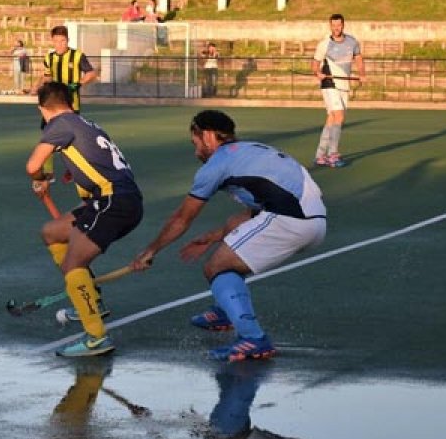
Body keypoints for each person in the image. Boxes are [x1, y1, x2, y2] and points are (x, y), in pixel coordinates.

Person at [131, 110, 327, 362]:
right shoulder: (251, 150)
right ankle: (226, 311)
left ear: (208, 136)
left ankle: (253, 338)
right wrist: (214, 236)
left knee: (216, 267)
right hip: (313, 219)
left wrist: (150, 251)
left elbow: (182, 218)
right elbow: (254, 211)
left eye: (196, 143)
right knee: (232, 232)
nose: (196, 152)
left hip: (291, 220)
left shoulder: (216, 165)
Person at [27, 82, 144, 357]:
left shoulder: (59, 124)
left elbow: (33, 165)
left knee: (72, 264)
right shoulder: (84, 123)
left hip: (112, 201)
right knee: (52, 232)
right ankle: (94, 301)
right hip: (114, 199)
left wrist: (40, 180)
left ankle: (97, 337)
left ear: (43, 109)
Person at [207, 363, 321, 439]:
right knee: (235, 386)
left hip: (226, 432)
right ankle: (235, 348)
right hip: (230, 431)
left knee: (233, 386)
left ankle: (228, 349)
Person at [29, 25, 97, 181]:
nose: (60, 44)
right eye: (56, 41)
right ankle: (49, 172)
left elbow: (91, 73)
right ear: (52, 41)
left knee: (73, 138)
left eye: (63, 41)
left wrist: (77, 83)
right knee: (47, 135)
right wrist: (38, 88)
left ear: (68, 40)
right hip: (52, 105)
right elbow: (47, 77)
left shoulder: (77, 56)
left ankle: (72, 169)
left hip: (71, 105)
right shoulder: (49, 58)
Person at [311, 13, 365, 168]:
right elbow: (315, 64)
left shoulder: (352, 42)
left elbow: (359, 59)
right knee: (339, 115)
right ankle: (333, 154)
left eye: (339, 25)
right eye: (333, 25)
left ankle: (320, 155)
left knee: (331, 118)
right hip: (329, 82)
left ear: (343, 25)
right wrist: (317, 73)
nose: (336, 28)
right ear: (330, 26)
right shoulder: (324, 44)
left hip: (344, 84)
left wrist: (362, 74)